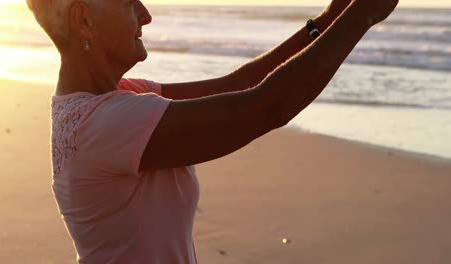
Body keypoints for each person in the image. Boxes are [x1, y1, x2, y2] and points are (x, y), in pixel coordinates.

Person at [26, 0, 398, 263]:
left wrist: (328, 19)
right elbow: (265, 108)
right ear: (84, 20)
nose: (146, 14)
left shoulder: (119, 97)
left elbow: (236, 85)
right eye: (129, 3)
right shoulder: (108, 124)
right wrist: (362, 14)